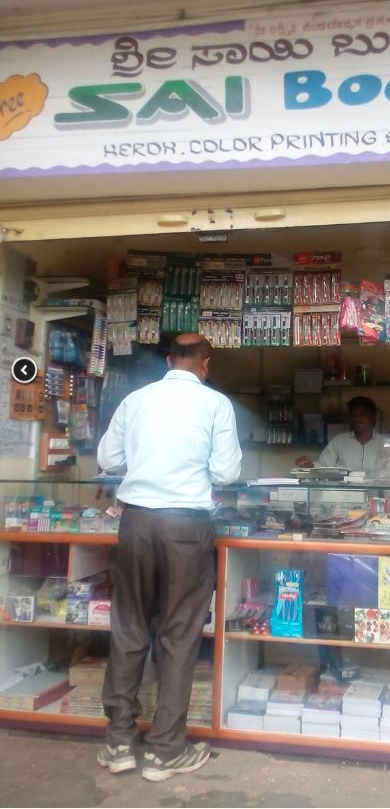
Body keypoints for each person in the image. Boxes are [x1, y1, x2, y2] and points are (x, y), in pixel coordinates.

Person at [96, 333, 241, 781]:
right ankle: (164, 752)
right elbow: (226, 472)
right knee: (179, 635)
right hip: (186, 527)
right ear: (205, 363)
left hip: (136, 524)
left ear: (167, 360)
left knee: (129, 628)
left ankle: (119, 742)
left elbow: (107, 458)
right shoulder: (215, 405)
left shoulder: (136, 400)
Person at [296, 396, 384, 471]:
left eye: (363, 414)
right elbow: (323, 466)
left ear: (373, 418)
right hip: (345, 491)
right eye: (354, 415)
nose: (358, 418)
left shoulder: (384, 443)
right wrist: (310, 466)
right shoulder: (338, 441)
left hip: (376, 490)